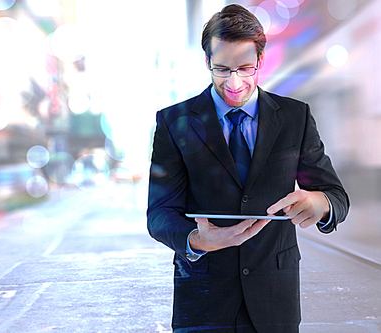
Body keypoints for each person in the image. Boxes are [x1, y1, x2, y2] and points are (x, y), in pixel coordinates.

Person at [147, 4, 349, 333]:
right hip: (203, 301)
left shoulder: (295, 118)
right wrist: (197, 240)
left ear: (260, 61)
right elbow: (158, 213)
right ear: (207, 62)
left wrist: (321, 204)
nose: (235, 82)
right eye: (222, 69)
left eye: (245, 68)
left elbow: (336, 195)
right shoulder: (173, 123)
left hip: (274, 299)